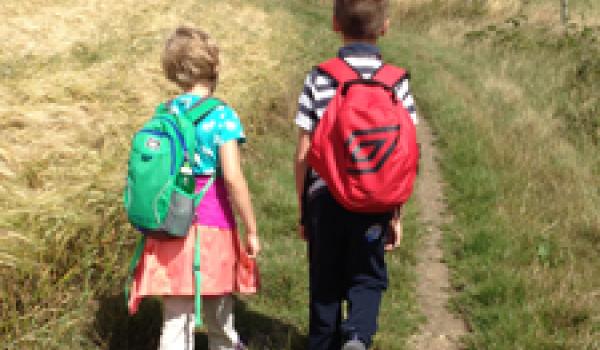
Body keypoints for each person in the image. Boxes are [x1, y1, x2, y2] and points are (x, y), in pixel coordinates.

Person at [293, 1, 419, 349]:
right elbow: (405, 155)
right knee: (367, 278)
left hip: (326, 197)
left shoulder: (320, 77)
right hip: (374, 202)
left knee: (325, 281)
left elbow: (304, 152)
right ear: (385, 27)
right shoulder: (396, 83)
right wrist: (396, 211)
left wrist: (304, 208)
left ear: (335, 24)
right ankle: (358, 336)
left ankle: (322, 342)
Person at [127, 26, 260, 350]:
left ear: (173, 71)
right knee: (219, 309)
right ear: (214, 66)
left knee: (175, 317)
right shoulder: (223, 116)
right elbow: (231, 176)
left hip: (170, 225)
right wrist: (251, 228)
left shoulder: (166, 112)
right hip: (213, 226)